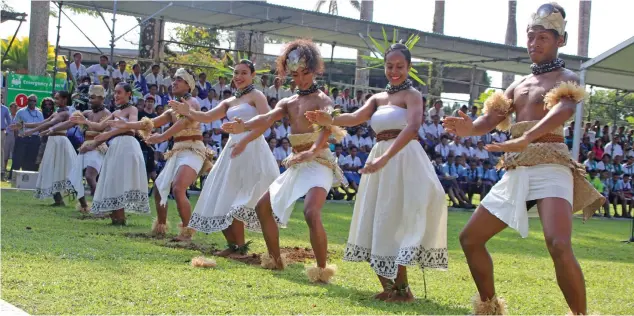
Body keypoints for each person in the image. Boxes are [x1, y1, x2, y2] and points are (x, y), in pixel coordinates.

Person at [443, 4, 604, 314]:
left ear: (561, 41)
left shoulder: (567, 77)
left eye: (543, 37)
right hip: (518, 168)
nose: (534, 43)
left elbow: (563, 110)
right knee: (470, 238)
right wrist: (468, 129)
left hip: (552, 165)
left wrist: (529, 136)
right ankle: (490, 307)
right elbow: (489, 120)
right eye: (531, 37)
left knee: (558, 244)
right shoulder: (518, 84)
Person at [305, 42, 447, 301]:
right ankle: (392, 287)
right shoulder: (378, 98)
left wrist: (386, 158)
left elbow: (413, 127)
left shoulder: (412, 96)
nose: (394, 71)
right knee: (378, 217)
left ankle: (402, 289)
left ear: (409, 67)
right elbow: (354, 117)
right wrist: (329, 120)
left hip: (405, 159)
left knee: (399, 218)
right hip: (379, 157)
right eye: (390, 66)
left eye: (400, 67)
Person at [222, 39, 346, 282]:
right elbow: (266, 118)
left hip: (319, 161)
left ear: (315, 69)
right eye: (296, 74)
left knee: (311, 212)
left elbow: (326, 129)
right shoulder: (288, 102)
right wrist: (243, 126)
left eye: (305, 73)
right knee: (262, 207)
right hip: (297, 162)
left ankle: (322, 270)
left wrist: (312, 151)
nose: (301, 79)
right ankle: (275, 260)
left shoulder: (323, 100)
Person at [171, 59, 279, 256]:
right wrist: (189, 112)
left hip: (252, 148)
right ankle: (235, 247)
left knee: (240, 197)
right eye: (236, 73)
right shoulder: (229, 101)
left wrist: (245, 140)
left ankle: (241, 248)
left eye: (244, 73)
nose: (238, 77)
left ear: (252, 75)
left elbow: (266, 122)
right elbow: (208, 117)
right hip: (231, 150)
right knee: (221, 195)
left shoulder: (257, 95)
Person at [107, 69, 213, 241]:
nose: (174, 82)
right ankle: (161, 228)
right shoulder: (172, 107)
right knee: (158, 189)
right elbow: (151, 122)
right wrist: (125, 125)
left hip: (193, 150)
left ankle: (187, 233)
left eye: (179, 80)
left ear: (188, 85)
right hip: (177, 151)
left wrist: (162, 137)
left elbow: (184, 122)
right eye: (174, 79)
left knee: (178, 188)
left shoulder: (192, 102)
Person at [70, 82, 150, 225]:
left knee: (120, 178)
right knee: (113, 178)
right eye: (115, 92)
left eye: (119, 92)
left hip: (127, 145)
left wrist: (106, 136)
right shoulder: (116, 112)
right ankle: (117, 217)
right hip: (116, 146)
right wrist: (85, 121)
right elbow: (100, 126)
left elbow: (131, 127)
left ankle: (120, 217)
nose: (116, 95)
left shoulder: (132, 109)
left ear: (128, 94)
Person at [55, 85, 111, 213]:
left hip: (98, 147)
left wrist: (93, 145)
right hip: (85, 147)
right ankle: (85, 206)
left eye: (93, 98)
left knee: (90, 176)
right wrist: (52, 129)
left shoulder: (108, 114)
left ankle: (99, 207)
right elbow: (69, 123)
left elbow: (105, 132)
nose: (91, 101)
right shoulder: (86, 113)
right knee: (75, 177)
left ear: (101, 98)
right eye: (90, 98)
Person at [17, 91, 75, 205]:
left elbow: (50, 124)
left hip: (60, 142)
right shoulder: (57, 112)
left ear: (64, 99)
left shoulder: (65, 113)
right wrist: (24, 125)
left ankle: (66, 199)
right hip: (53, 142)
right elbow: (42, 122)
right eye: (55, 98)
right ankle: (58, 199)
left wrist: (30, 131)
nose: (55, 101)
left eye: (58, 99)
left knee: (58, 168)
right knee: (50, 168)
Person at [9, 95, 44, 177]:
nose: (32, 102)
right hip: (22, 138)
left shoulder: (39, 113)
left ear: (36, 102)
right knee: (18, 158)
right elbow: (15, 125)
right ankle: (12, 177)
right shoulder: (21, 112)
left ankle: (28, 179)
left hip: (35, 138)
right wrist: (17, 137)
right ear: (27, 101)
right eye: (30, 100)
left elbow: (42, 125)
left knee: (31, 159)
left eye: (34, 101)